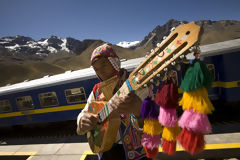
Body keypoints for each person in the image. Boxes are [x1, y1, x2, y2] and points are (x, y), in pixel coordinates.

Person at [76, 43, 150, 160]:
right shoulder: (96, 91)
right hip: (106, 152)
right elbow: (84, 112)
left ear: (114, 62)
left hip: (137, 154)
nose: (101, 71)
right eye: (96, 69)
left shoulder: (136, 85)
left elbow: (154, 123)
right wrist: (82, 120)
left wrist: (139, 111)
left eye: (104, 65)